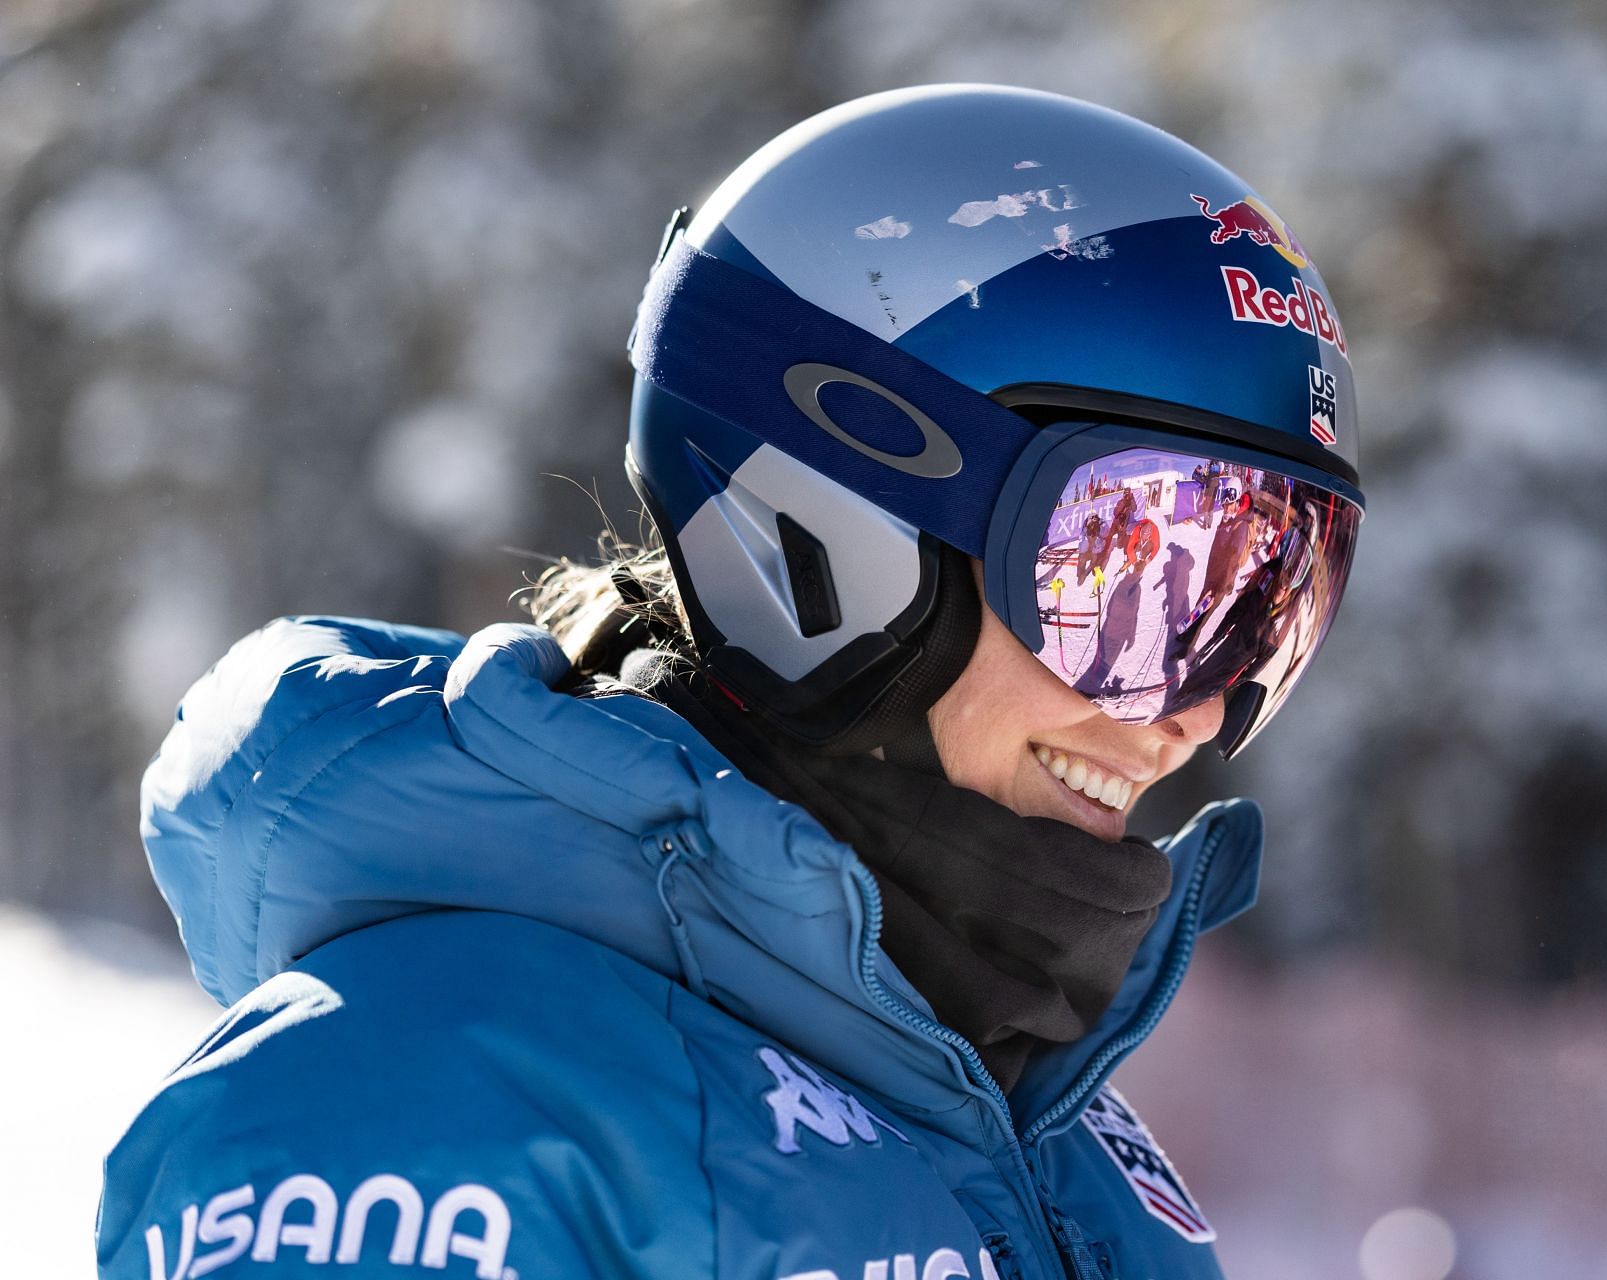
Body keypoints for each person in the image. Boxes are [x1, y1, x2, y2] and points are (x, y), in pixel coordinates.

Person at [98, 85, 1364, 1280]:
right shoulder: (416, 1107)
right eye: (1138, 579)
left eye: (1267, 610)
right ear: (835, 527)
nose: (1194, 713)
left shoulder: (1058, 1137)